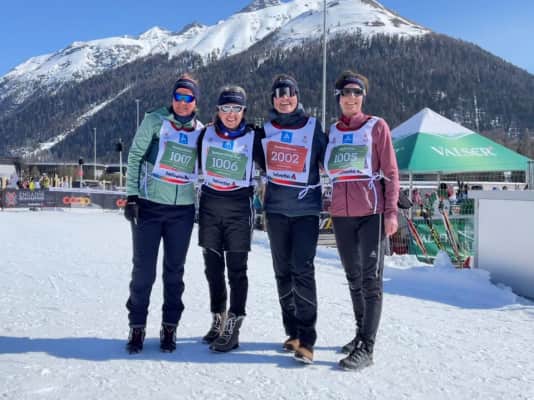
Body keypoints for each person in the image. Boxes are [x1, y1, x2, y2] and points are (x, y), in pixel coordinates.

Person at [324, 70, 399, 370]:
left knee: (371, 280)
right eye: (346, 93)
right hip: (341, 215)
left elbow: (391, 172)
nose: (351, 98)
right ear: (339, 98)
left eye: (357, 93)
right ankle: (359, 334)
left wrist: (391, 212)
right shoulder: (332, 131)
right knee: (353, 277)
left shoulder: (376, 126)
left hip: (371, 213)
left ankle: (367, 347)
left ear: (363, 97)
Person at [124, 73, 204, 354]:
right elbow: (135, 156)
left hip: (182, 211)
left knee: (174, 272)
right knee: (143, 271)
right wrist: (132, 196)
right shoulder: (154, 120)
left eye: (188, 98)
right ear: (172, 98)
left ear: (195, 102)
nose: (183, 102)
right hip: (149, 206)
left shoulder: (200, 131)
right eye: (178, 96)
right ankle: (137, 326)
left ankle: (170, 326)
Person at [258, 74, 327, 364]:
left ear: (297, 97)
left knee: (303, 270)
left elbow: (330, 158)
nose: (285, 98)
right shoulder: (264, 130)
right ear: (273, 99)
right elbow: (249, 157)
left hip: (305, 211)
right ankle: (293, 332)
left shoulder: (312, 126)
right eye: (279, 94)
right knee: (282, 272)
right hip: (276, 211)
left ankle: (307, 339)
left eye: (290, 93)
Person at [197, 85, 263, 352]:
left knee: (237, 270)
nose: (231, 114)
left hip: (239, 206)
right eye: (226, 108)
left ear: (244, 111)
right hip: (210, 204)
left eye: (237, 108)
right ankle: (219, 318)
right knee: (213, 269)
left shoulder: (254, 137)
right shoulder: (205, 134)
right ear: (218, 110)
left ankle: (234, 326)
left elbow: (274, 162)